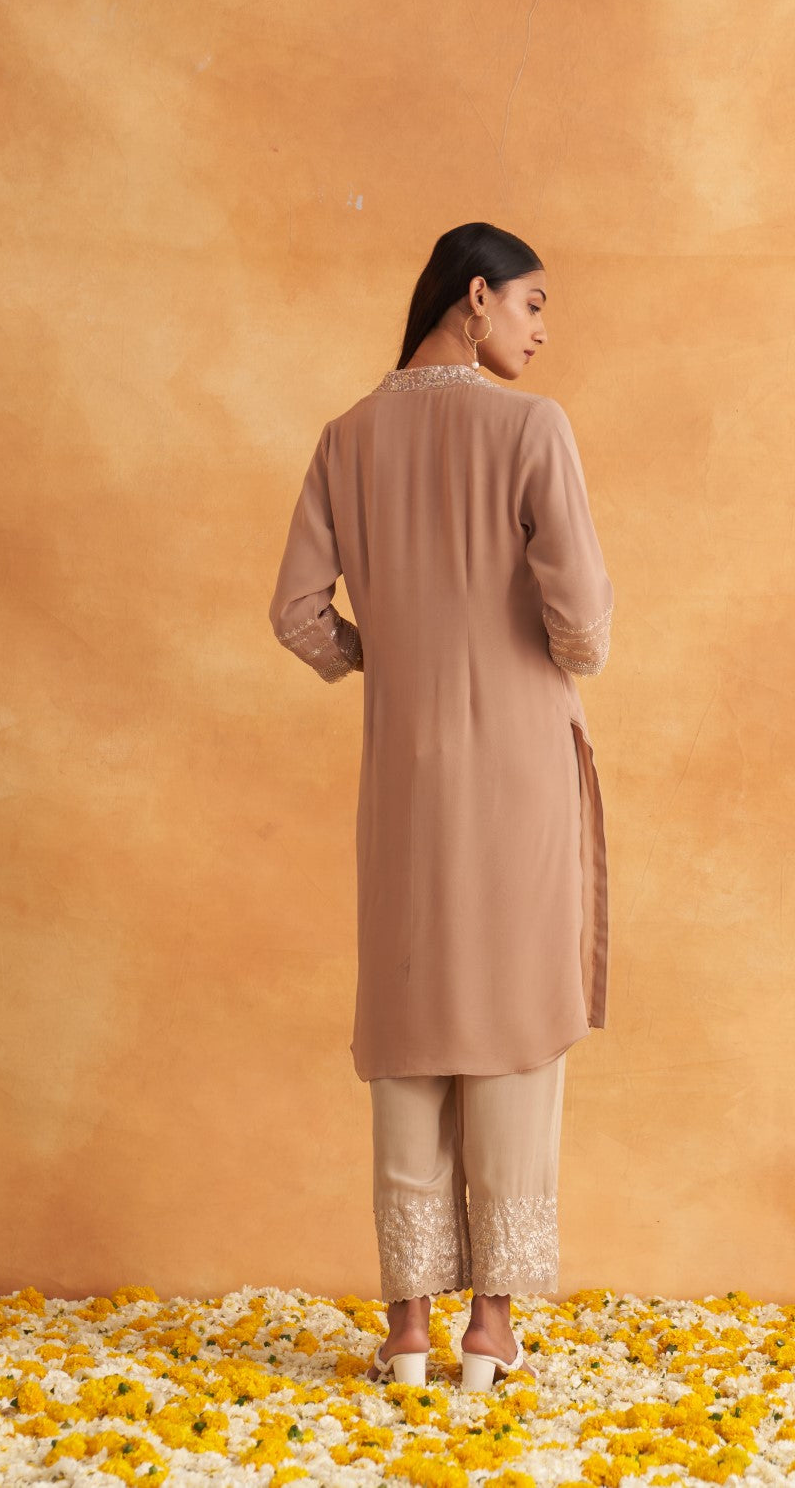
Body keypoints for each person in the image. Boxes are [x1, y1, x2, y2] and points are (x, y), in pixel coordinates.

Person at [268, 221, 613, 1389]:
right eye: (532, 303)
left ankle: (408, 1326)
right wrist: (548, 645)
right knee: (515, 1018)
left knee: (411, 1022)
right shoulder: (531, 427)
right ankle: (491, 1328)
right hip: (518, 764)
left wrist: (386, 653)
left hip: (405, 778)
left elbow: (297, 613)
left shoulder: (347, 438)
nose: (541, 329)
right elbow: (585, 625)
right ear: (475, 297)